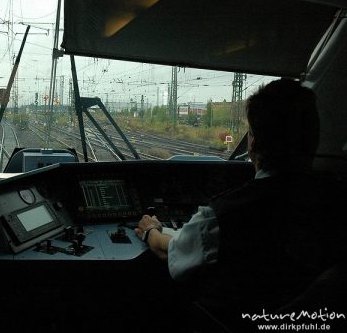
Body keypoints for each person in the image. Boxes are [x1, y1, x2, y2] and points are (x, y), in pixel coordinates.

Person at [134, 79, 345, 322]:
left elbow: (168, 251)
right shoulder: (337, 198)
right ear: (313, 141)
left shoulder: (223, 216)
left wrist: (151, 230)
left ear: (253, 142)